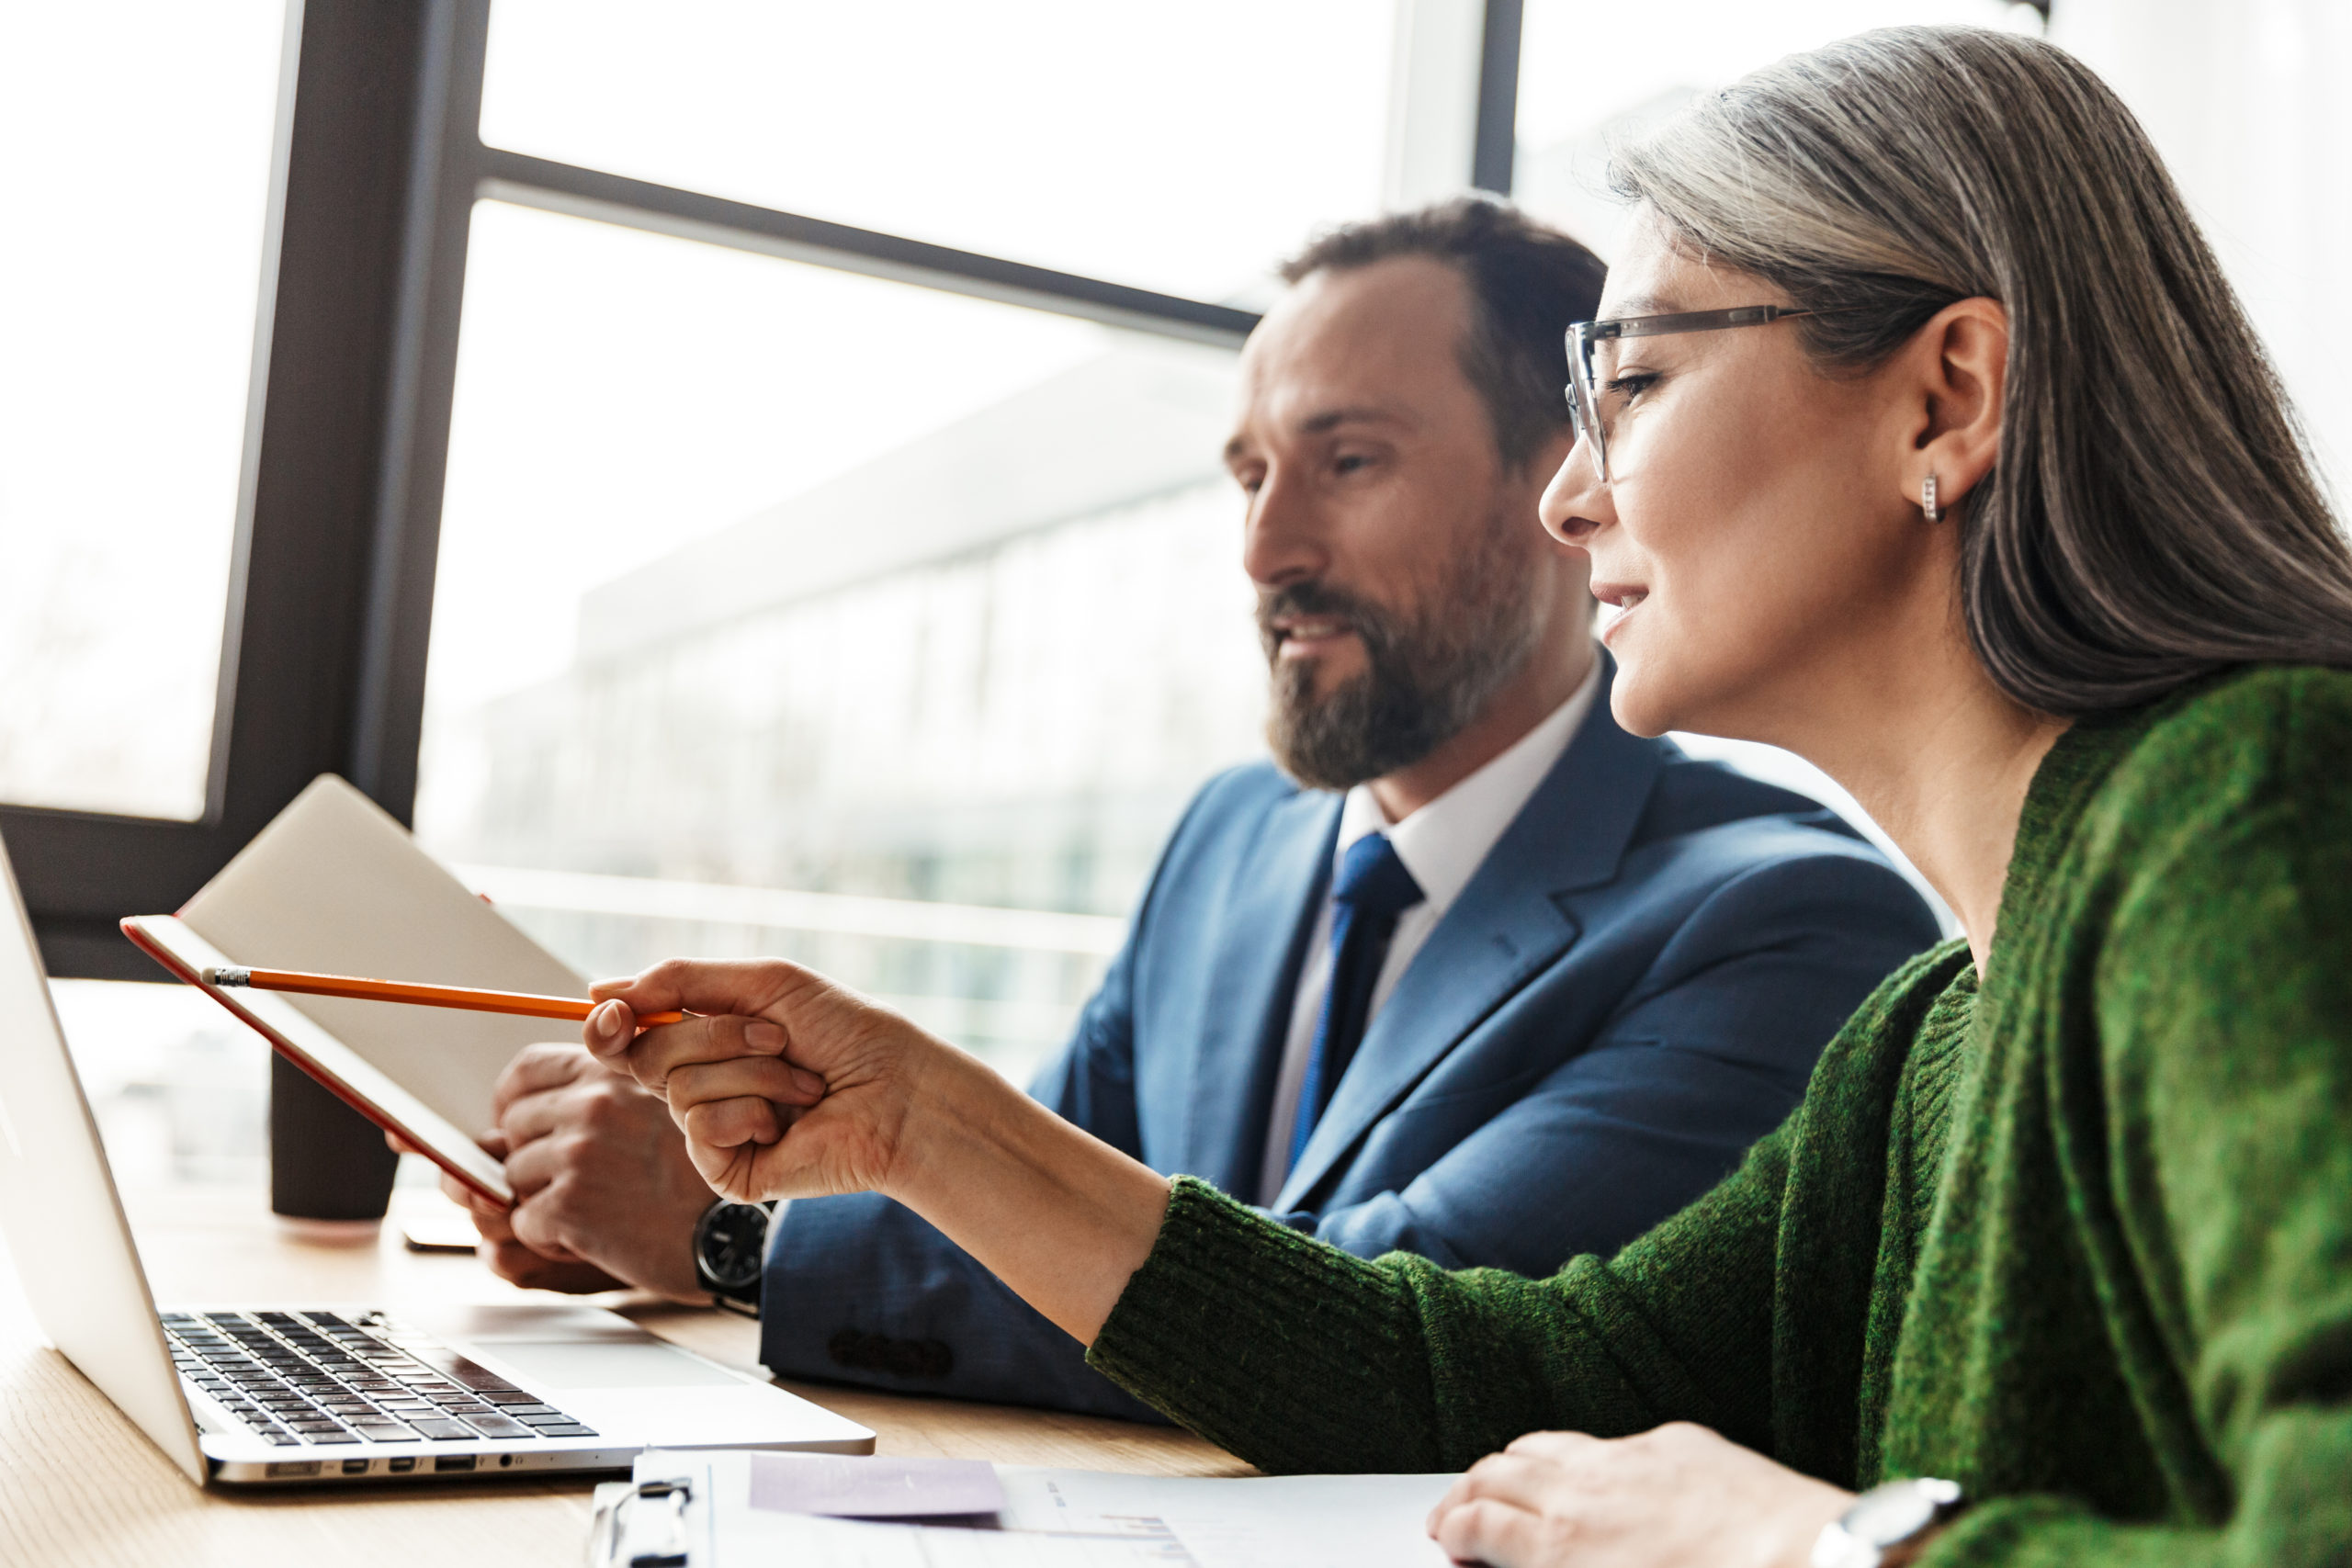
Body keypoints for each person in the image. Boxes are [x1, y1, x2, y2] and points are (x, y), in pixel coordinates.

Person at [580, 24, 2352, 1567]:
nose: (1573, 499)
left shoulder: (2249, 812)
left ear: (1944, 396)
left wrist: (1792, 1543)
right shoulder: (1932, 1035)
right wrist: (918, 1125)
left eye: (1635, 383)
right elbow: (1480, 1378)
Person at [446, 199, 1939, 1418]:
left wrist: (740, 1246)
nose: (1267, 549)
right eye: (1248, 476)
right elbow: (1025, 1203)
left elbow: (1374, 1319)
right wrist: (665, 1203)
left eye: (1349, 462)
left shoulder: (1786, 920)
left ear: (1565, 484)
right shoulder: (1231, 842)